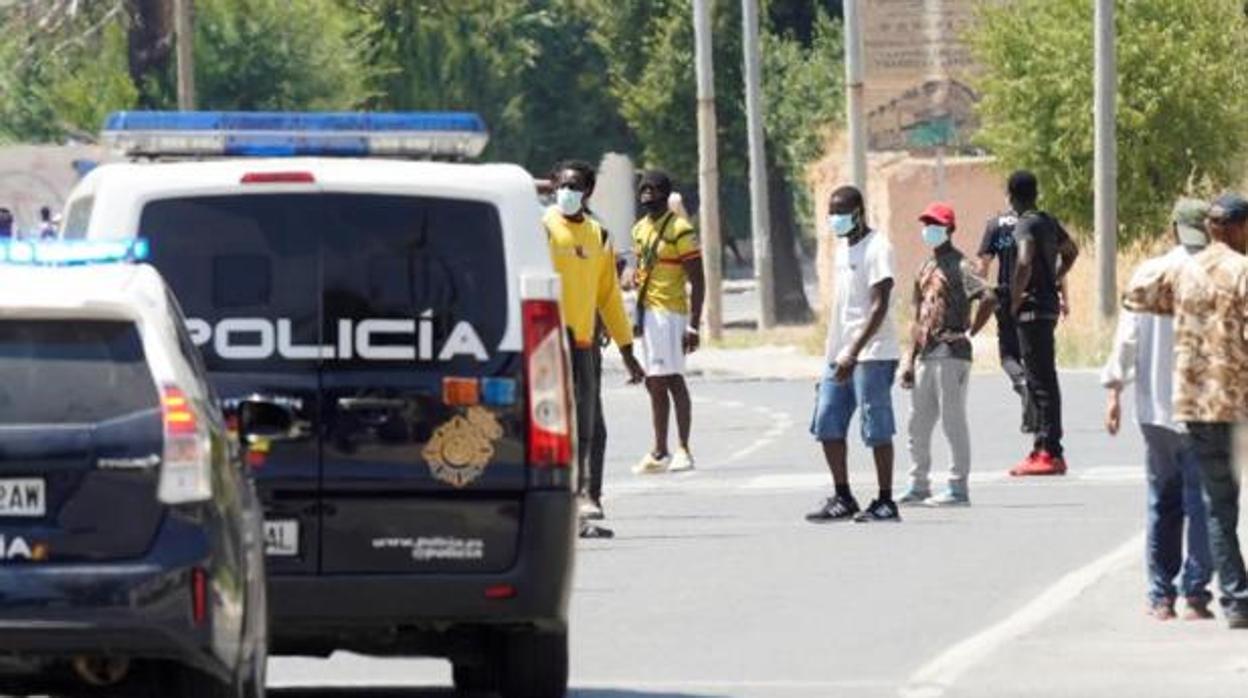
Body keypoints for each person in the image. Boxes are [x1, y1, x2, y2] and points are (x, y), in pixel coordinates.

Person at [1124, 192, 1248, 630]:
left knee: (1198, 503)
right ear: (1234, 228)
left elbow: (1136, 298)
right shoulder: (1241, 271)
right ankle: (1224, 596)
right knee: (1218, 505)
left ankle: (1213, 597)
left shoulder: (1177, 271)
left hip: (1189, 403)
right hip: (1231, 402)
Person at [1103, 198, 1215, 622]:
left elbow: (1127, 339)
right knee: (1202, 504)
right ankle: (1196, 592)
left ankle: (1160, 595)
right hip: (1204, 411)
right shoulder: (1221, 275)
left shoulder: (1149, 273)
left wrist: (1114, 391)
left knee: (1161, 502)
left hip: (1154, 411)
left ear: (1173, 229)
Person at [543, 161, 646, 536]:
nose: (568, 192)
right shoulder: (541, 229)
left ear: (587, 194)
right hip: (546, 346)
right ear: (553, 186)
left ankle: (589, 498)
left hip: (584, 344)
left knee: (591, 427)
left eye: (576, 187)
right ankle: (561, 507)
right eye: (563, 185)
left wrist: (628, 350)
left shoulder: (598, 236)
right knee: (553, 428)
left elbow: (609, 298)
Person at [805, 185, 903, 523]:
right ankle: (843, 496)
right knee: (827, 420)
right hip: (840, 353)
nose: (835, 219)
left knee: (876, 427)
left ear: (859, 212)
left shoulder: (878, 248)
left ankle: (886, 500)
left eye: (841, 212)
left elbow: (879, 306)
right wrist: (834, 356)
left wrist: (855, 352)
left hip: (873, 352)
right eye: (831, 213)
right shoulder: (842, 250)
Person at [898, 203, 996, 507]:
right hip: (926, 353)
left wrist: (971, 330)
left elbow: (989, 297)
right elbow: (919, 317)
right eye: (927, 224)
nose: (930, 230)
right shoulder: (925, 268)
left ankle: (958, 486)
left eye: (937, 225)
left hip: (952, 352)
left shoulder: (962, 266)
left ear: (950, 230)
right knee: (918, 423)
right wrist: (909, 359)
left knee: (953, 421)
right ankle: (918, 484)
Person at [630, 170, 705, 475]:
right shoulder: (638, 230)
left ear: (665, 193)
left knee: (671, 379)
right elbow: (643, 272)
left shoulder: (680, 229)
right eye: (643, 189)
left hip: (671, 313)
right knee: (654, 380)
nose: (647, 194)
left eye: (653, 189)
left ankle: (683, 449)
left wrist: (693, 324)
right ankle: (659, 450)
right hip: (648, 313)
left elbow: (698, 281)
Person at [1006, 171, 1079, 476]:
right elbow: (1071, 250)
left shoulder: (1025, 224)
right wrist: (1055, 277)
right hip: (1047, 307)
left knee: (1040, 381)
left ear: (1011, 195)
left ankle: (1050, 451)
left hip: (1033, 309)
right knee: (1043, 378)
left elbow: (1024, 260)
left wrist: (1014, 297)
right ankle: (1042, 447)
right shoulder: (1047, 221)